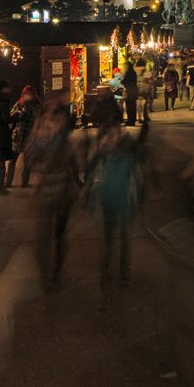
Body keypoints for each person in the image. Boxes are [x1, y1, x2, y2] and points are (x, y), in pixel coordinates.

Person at [82, 97, 143, 286]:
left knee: (125, 238)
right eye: (111, 131)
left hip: (124, 199)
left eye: (117, 129)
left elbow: (137, 173)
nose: (114, 134)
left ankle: (124, 273)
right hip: (106, 198)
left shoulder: (128, 146)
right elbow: (89, 172)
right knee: (108, 238)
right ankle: (106, 272)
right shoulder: (102, 148)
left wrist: (139, 199)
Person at [26, 102, 80, 289]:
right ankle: (45, 277)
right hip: (44, 196)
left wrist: (77, 187)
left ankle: (56, 273)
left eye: (59, 122)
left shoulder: (65, 142)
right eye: (53, 121)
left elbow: (74, 166)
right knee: (43, 238)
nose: (56, 126)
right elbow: (29, 158)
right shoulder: (40, 138)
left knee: (59, 236)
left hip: (63, 196)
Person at [7, 86, 40, 188]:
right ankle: (8, 181)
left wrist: (23, 114)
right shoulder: (19, 104)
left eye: (29, 94)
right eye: (26, 94)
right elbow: (11, 116)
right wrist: (17, 114)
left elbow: (38, 118)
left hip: (30, 135)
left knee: (27, 160)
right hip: (18, 134)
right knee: (13, 159)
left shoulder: (36, 105)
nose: (28, 96)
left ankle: (24, 182)